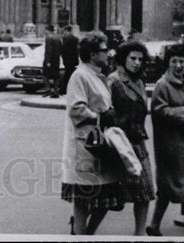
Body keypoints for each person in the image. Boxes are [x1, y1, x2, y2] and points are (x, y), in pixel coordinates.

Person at [60, 30, 122, 235]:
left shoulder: (96, 75)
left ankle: (86, 233)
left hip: (100, 144)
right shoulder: (80, 76)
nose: (109, 54)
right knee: (83, 199)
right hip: (86, 146)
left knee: (106, 197)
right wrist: (100, 116)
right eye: (105, 50)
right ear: (93, 54)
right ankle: (80, 234)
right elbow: (76, 109)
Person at [147, 44, 184, 237]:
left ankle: (154, 225)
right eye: (174, 61)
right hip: (170, 145)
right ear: (168, 62)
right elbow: (158, 111)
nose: (178, 65)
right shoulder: (161, 85)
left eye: (182, 61)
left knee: (168, 187)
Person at [107, 41, 156, 236]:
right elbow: (105, 109)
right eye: (132, 58)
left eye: (140, 59)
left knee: (144, 191)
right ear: (123, 59)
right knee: (109, 197)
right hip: (120, 145)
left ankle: (140, 233)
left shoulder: (139, 82)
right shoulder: (114, 80)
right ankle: (83, 228)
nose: (136, 63)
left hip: (138, 142)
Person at [42, 24, 63, 98]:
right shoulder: (58, 37)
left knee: (45, 75)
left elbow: (48, 50)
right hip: (56, 59)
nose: (45, 31)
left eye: (45, 30)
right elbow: (61, 48)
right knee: (56, 76)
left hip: (50, 60)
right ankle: (56, 91)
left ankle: (47, 89)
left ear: (48, 30)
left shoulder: (48, 37)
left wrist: (48, 61)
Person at [61, 24, 80, 94]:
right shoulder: (75, 39)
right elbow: (77, 50)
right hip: (73, 60)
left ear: (67, 30)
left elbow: (64, 51)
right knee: (70, 74)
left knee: (68, 74)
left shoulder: (65, 39)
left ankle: (64, 89)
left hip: (67, 60)